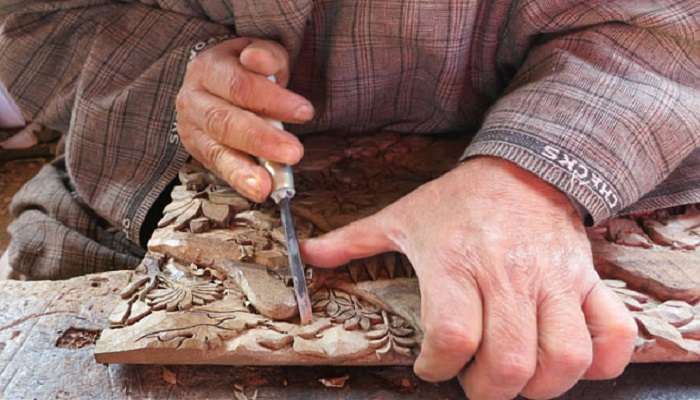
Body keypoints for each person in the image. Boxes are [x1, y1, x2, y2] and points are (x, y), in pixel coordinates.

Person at [1, 1, 698, 399]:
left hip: (612, 178)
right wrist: (178, 73)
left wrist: (534, 174)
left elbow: (674, 30)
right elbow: (39, 23)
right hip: (148, 187)